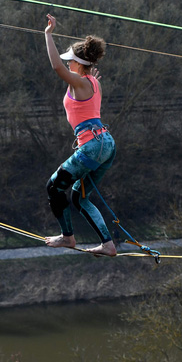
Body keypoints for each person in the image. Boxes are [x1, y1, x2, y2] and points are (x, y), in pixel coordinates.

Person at [42, 13, 118, 257]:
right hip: (105, 144)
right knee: (79, 196)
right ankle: (108, 244)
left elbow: (55, 66)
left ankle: (67, 238)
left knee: (54, 187)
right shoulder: (93, 83)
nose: (66, 65)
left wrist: (48, 34)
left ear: (78, 63)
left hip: (92, 146)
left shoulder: (80, 82)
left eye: (70, 62)